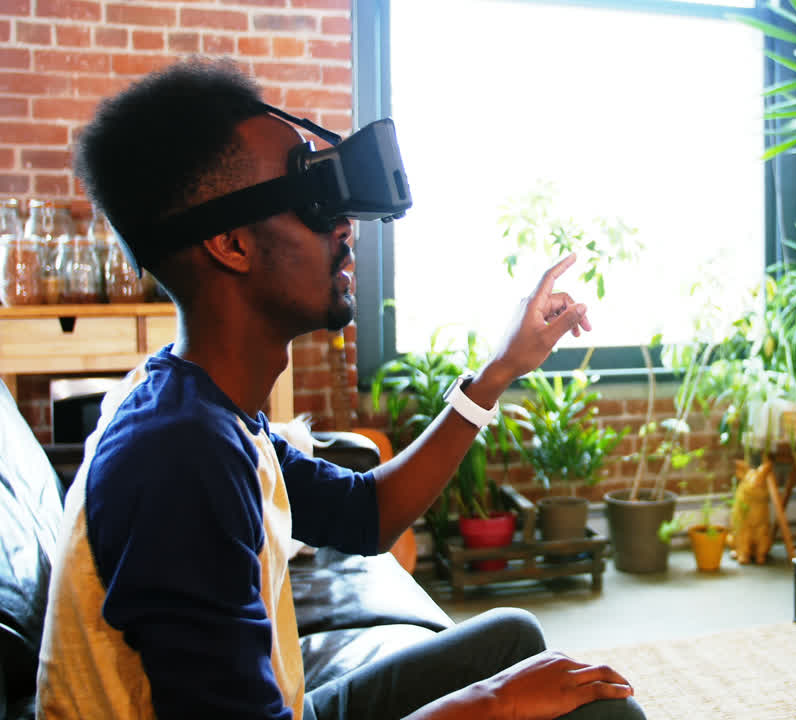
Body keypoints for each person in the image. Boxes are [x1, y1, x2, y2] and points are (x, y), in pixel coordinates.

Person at [35, 57, 646, 720]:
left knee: (512, 639)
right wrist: (493, 703)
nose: (344, 225)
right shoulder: (177, 457)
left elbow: (367, 516)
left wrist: (497, 372)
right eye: (311, 198)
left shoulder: (208, 410)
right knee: (599, 713)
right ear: (230, 244)